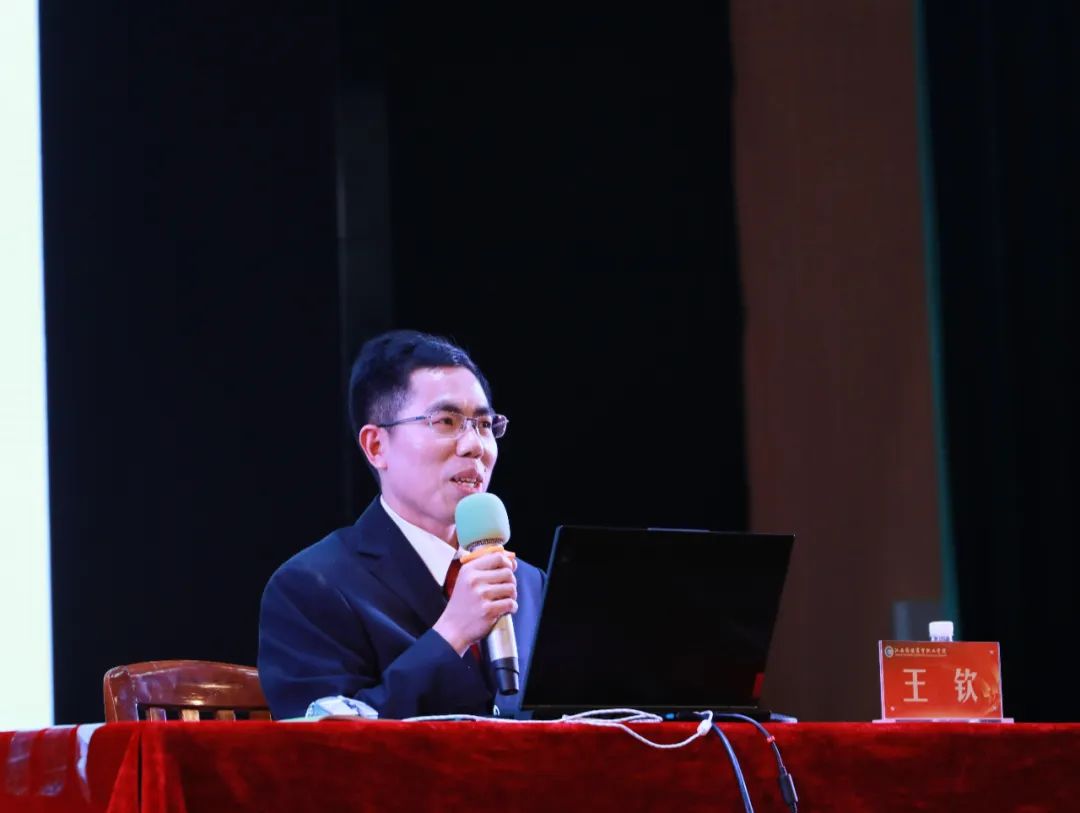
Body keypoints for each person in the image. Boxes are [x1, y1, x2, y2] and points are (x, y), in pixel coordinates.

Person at [258, 330, 544, 719]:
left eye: (483, 424)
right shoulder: (311, 587)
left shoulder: (529, 583)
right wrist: (452, 633)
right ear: (377, 446)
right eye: (446, 421)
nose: (474, 445)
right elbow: (324, 744)